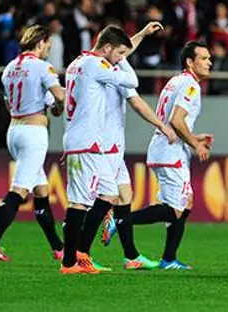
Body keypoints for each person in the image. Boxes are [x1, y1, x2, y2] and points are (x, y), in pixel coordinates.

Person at [107, 40, 213, 270]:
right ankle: (121, 219)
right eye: (203, 58)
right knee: (176, 209)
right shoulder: (191, 86)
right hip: (170, 150)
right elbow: (176, 120)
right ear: (189, 62)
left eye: (209, 58)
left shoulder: (176, 81)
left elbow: (172, 121)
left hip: (164, 147)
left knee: (183, 205)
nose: (209, 62)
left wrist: (193, 137)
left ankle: (168, 259)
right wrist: (195, 143)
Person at [96, 22, 178, 271]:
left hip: (113, 146)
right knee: (96, 201)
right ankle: (77, 253)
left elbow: (123, 50)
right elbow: (137, 103)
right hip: (103, 145)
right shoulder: (111, 70)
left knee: (125, 197)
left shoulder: (109, 64)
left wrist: (142, 34)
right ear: (110, 49)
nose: (124, 56)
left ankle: (131, 256)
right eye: (121, 53)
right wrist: (162, 125)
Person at [0, 25, 66, 262]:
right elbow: (60, 98)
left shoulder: (10, 68)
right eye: (48, 44)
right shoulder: (42, 67)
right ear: (40, 43)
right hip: (33, 133)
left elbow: (13, 104)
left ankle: (59, 248)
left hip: (14, 130)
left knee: (41, 191)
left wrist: (56, 106)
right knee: (19, 191)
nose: (49, 49)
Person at [60, 25, 139, 274]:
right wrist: (123, 62)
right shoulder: (97, 65)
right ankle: (69, 262)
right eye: (118, 54)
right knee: (78, 203)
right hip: (84, 142)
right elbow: (132, 81)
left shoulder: (76, 63)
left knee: (109, 194)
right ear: (106, 48)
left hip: (84, 141)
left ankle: (80, 253)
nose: (119, 59)